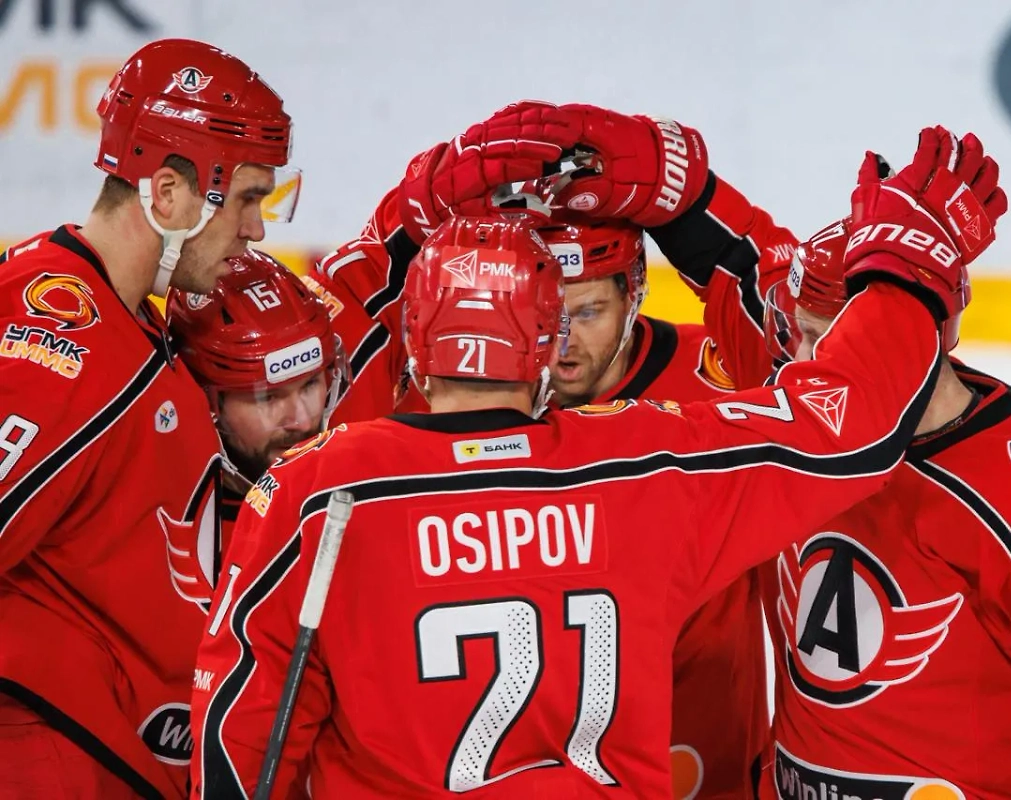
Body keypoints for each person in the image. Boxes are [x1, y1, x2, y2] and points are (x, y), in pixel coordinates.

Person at [188, 126, 1005, 798]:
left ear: (414, 342)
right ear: (544, 346)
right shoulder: (642, 465)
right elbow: (848, 426)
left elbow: (240, 731)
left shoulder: (316, 488)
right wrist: (907, 266)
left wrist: (405, 217)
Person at [627, 135, 1011, 797]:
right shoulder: (801, 414)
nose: (806, 368)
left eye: (832, 340)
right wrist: (672, 185)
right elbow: (737, 264)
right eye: (799, 334)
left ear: (917, 329)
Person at [307, 108, 795, 797]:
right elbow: (305, 375)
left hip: (704, 765)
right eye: (537, 313)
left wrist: (698, 208)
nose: (557, 343)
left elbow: (818, 349)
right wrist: (407, 216)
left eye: (586, 311)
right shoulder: (437, 398)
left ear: (634, 292)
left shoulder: (716, 378)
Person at [0, 38, 299, 798]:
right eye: (247, 198)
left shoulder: (124, 317)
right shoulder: (64, 340)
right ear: (167, 194)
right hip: (53, 757)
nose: (257, 229)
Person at [165, 249, 347, 532]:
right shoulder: (158, 516)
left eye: (310, 384)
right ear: (203, 399)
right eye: (268, 397)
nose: (302, 421)